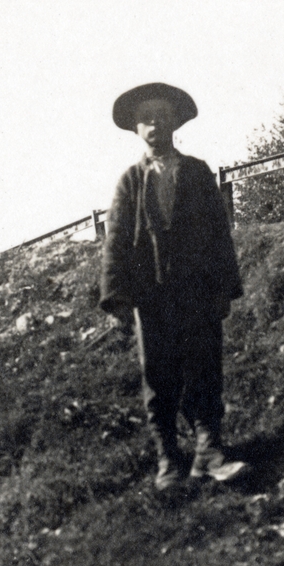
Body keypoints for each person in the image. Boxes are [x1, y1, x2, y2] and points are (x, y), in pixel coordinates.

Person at [99, 82, 249, 491]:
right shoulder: (130, 181)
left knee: (204, 367)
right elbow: (115, 241)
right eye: (146, 118)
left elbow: (219, 233)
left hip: (196, 292)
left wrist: (223, 287)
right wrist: (118, 298)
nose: (154, 124)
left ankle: (209, 451)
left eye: (162, 117)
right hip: (151, 298)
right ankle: (168, 457)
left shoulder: (198, 173)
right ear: (135, 128)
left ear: (175, 124)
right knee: (159, 376)